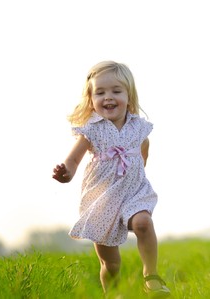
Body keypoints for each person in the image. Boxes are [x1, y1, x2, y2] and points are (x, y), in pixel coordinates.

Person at [52, 61, 170, 298]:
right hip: (102, 200)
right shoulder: (92, 130)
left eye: (116, 91)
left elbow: (142, 156)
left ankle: (151, 276)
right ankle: (113, 295)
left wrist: (134, 176)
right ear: (90, 98)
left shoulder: (139, 128)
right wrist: (66, 172)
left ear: (128, 95)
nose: (108, 97)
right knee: (111, 265)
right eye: (100, 92)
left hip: (133, 193)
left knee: (143, 223)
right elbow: (73, 161)